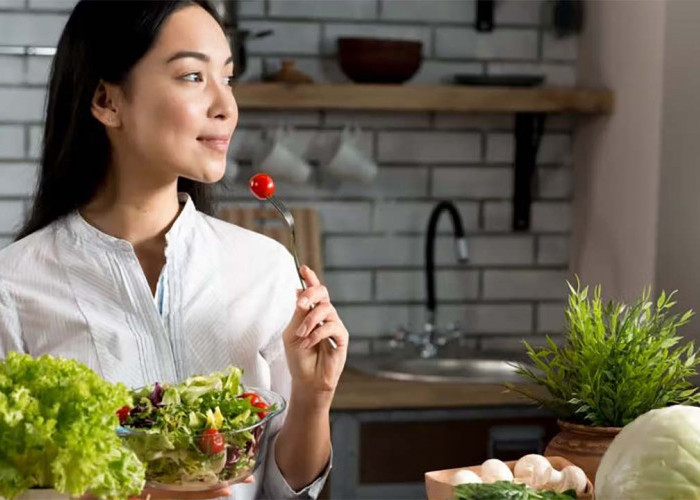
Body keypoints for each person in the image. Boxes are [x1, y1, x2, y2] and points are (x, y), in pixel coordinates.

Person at [0, 1, 349, 499]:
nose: (225, 106)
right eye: (191, 76)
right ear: (107, 100)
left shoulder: (265, 267)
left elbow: (282, 489)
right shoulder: (13, 286)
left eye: (227, 78)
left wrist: (315, 399)